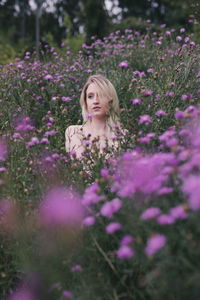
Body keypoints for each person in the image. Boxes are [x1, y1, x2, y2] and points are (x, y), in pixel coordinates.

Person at [65, 74, 125, 160]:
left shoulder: (122, 135)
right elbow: (82, 166)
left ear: (111, 100)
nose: (95, 101)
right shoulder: (74, 132)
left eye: (101, 95)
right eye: (90, 96)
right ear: (85, 102)